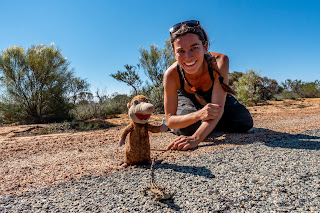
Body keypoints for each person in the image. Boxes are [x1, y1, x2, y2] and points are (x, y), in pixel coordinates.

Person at [163, 20, 253, 151]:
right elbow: (170, 120)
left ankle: (208, 123)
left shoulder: (220, 62)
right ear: (174, 53)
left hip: (215, 98)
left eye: (194, 48)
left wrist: (196, 138)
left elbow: (218, 107)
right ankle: (204, 121)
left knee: (243, 121)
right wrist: (199, 115)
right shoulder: (171, 75)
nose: (188, 57)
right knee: (187, 129)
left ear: (205, 47)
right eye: (181, 51)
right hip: (188, 98)